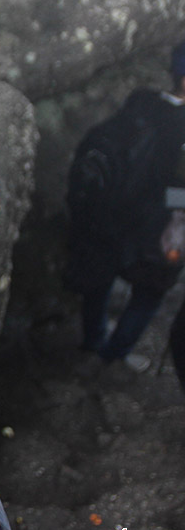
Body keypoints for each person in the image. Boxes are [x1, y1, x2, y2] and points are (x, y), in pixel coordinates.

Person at [67, 39, 185, 375]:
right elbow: (175, 191)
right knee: (149, 295)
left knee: (101, 279)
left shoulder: (143, 100)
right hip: (154, 229)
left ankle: (92, 341)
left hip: (110, 216)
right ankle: (112, 356)